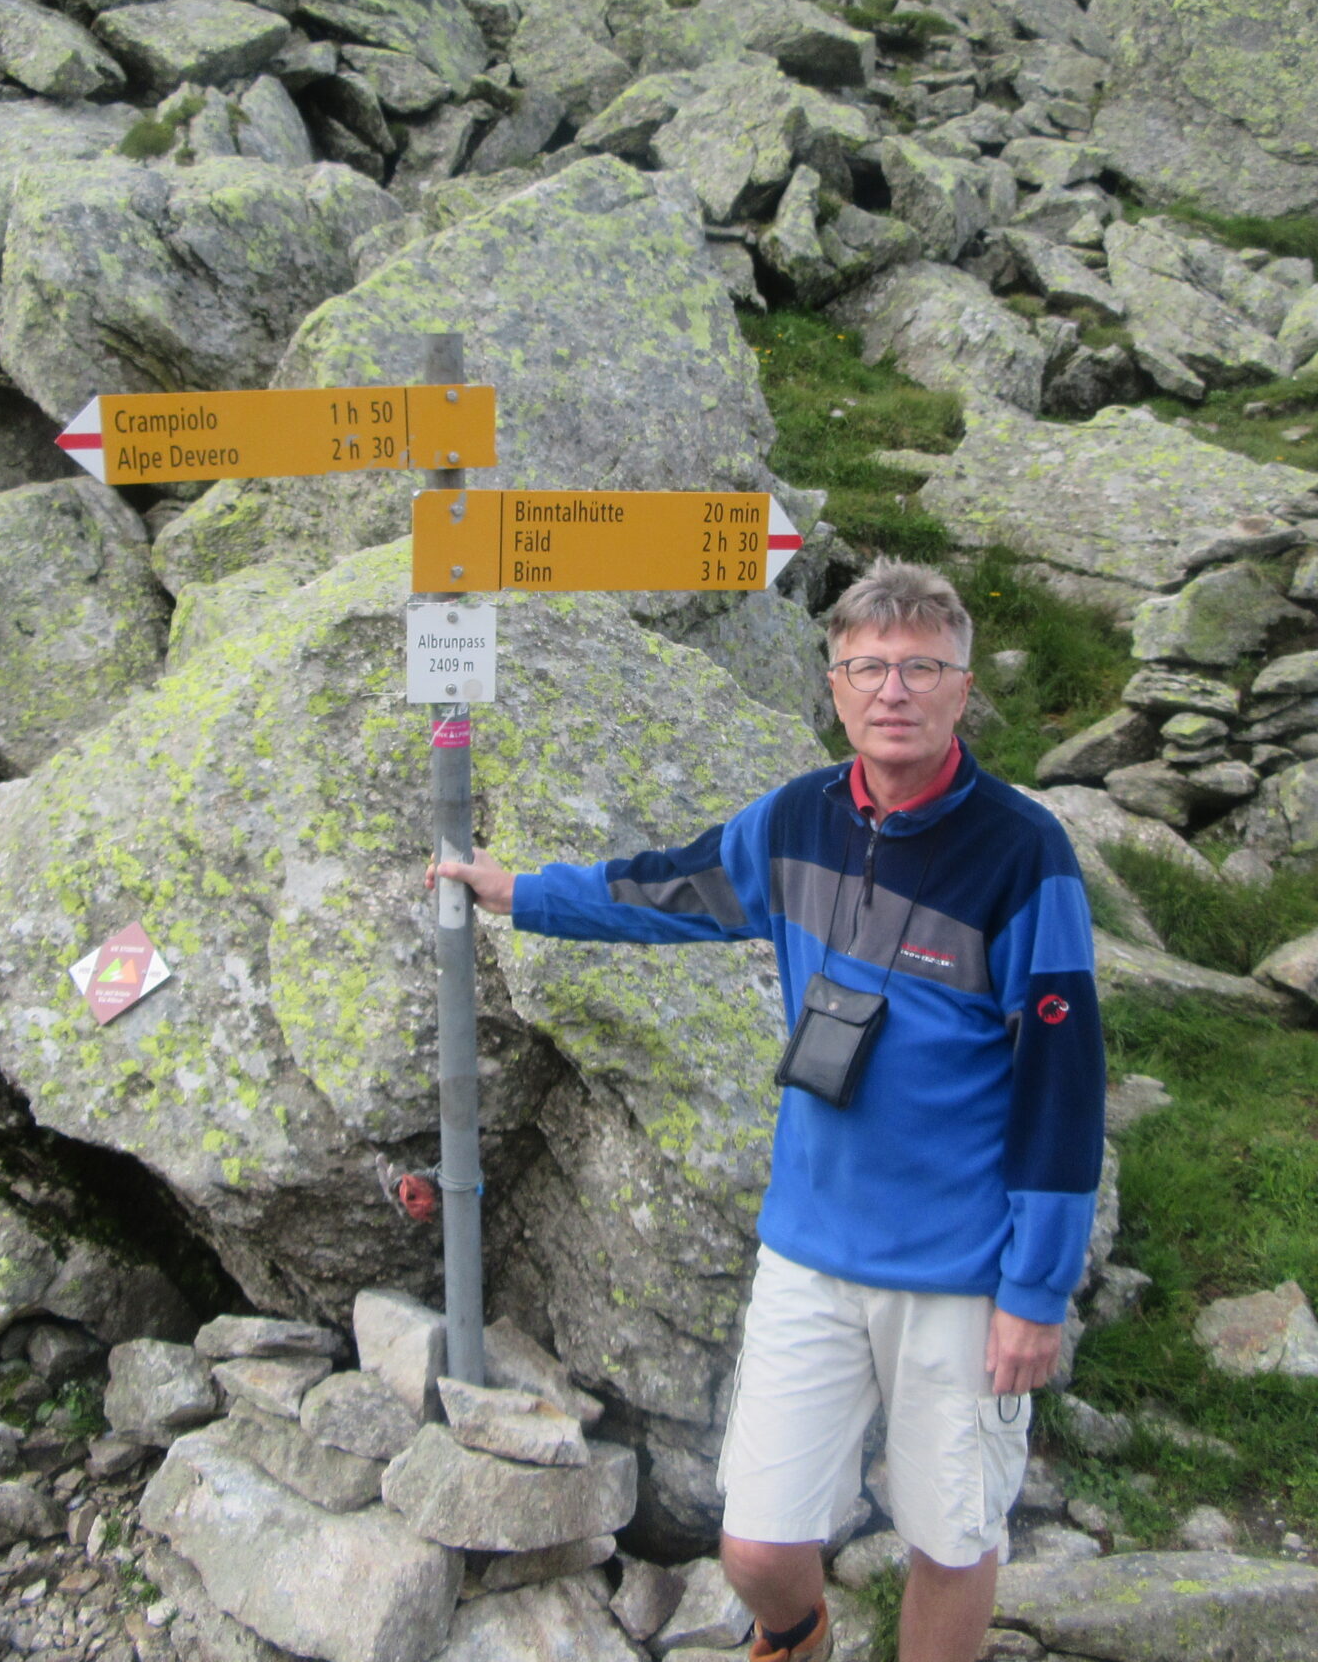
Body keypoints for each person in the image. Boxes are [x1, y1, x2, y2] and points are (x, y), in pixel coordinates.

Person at [431, 560, 1104, 1662]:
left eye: (921, 668)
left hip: (962, 1273)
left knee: (951, 1537)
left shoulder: (1026, 856)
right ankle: (799, 1635)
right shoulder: (798, 818)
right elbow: (676, 888)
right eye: (868, 667)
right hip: (808, 1250)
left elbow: (1064, 1085)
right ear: (833, 684)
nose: (894, 690)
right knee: (754, 1542)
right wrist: (524, 894)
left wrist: (1035, 1288)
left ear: (962, 687)